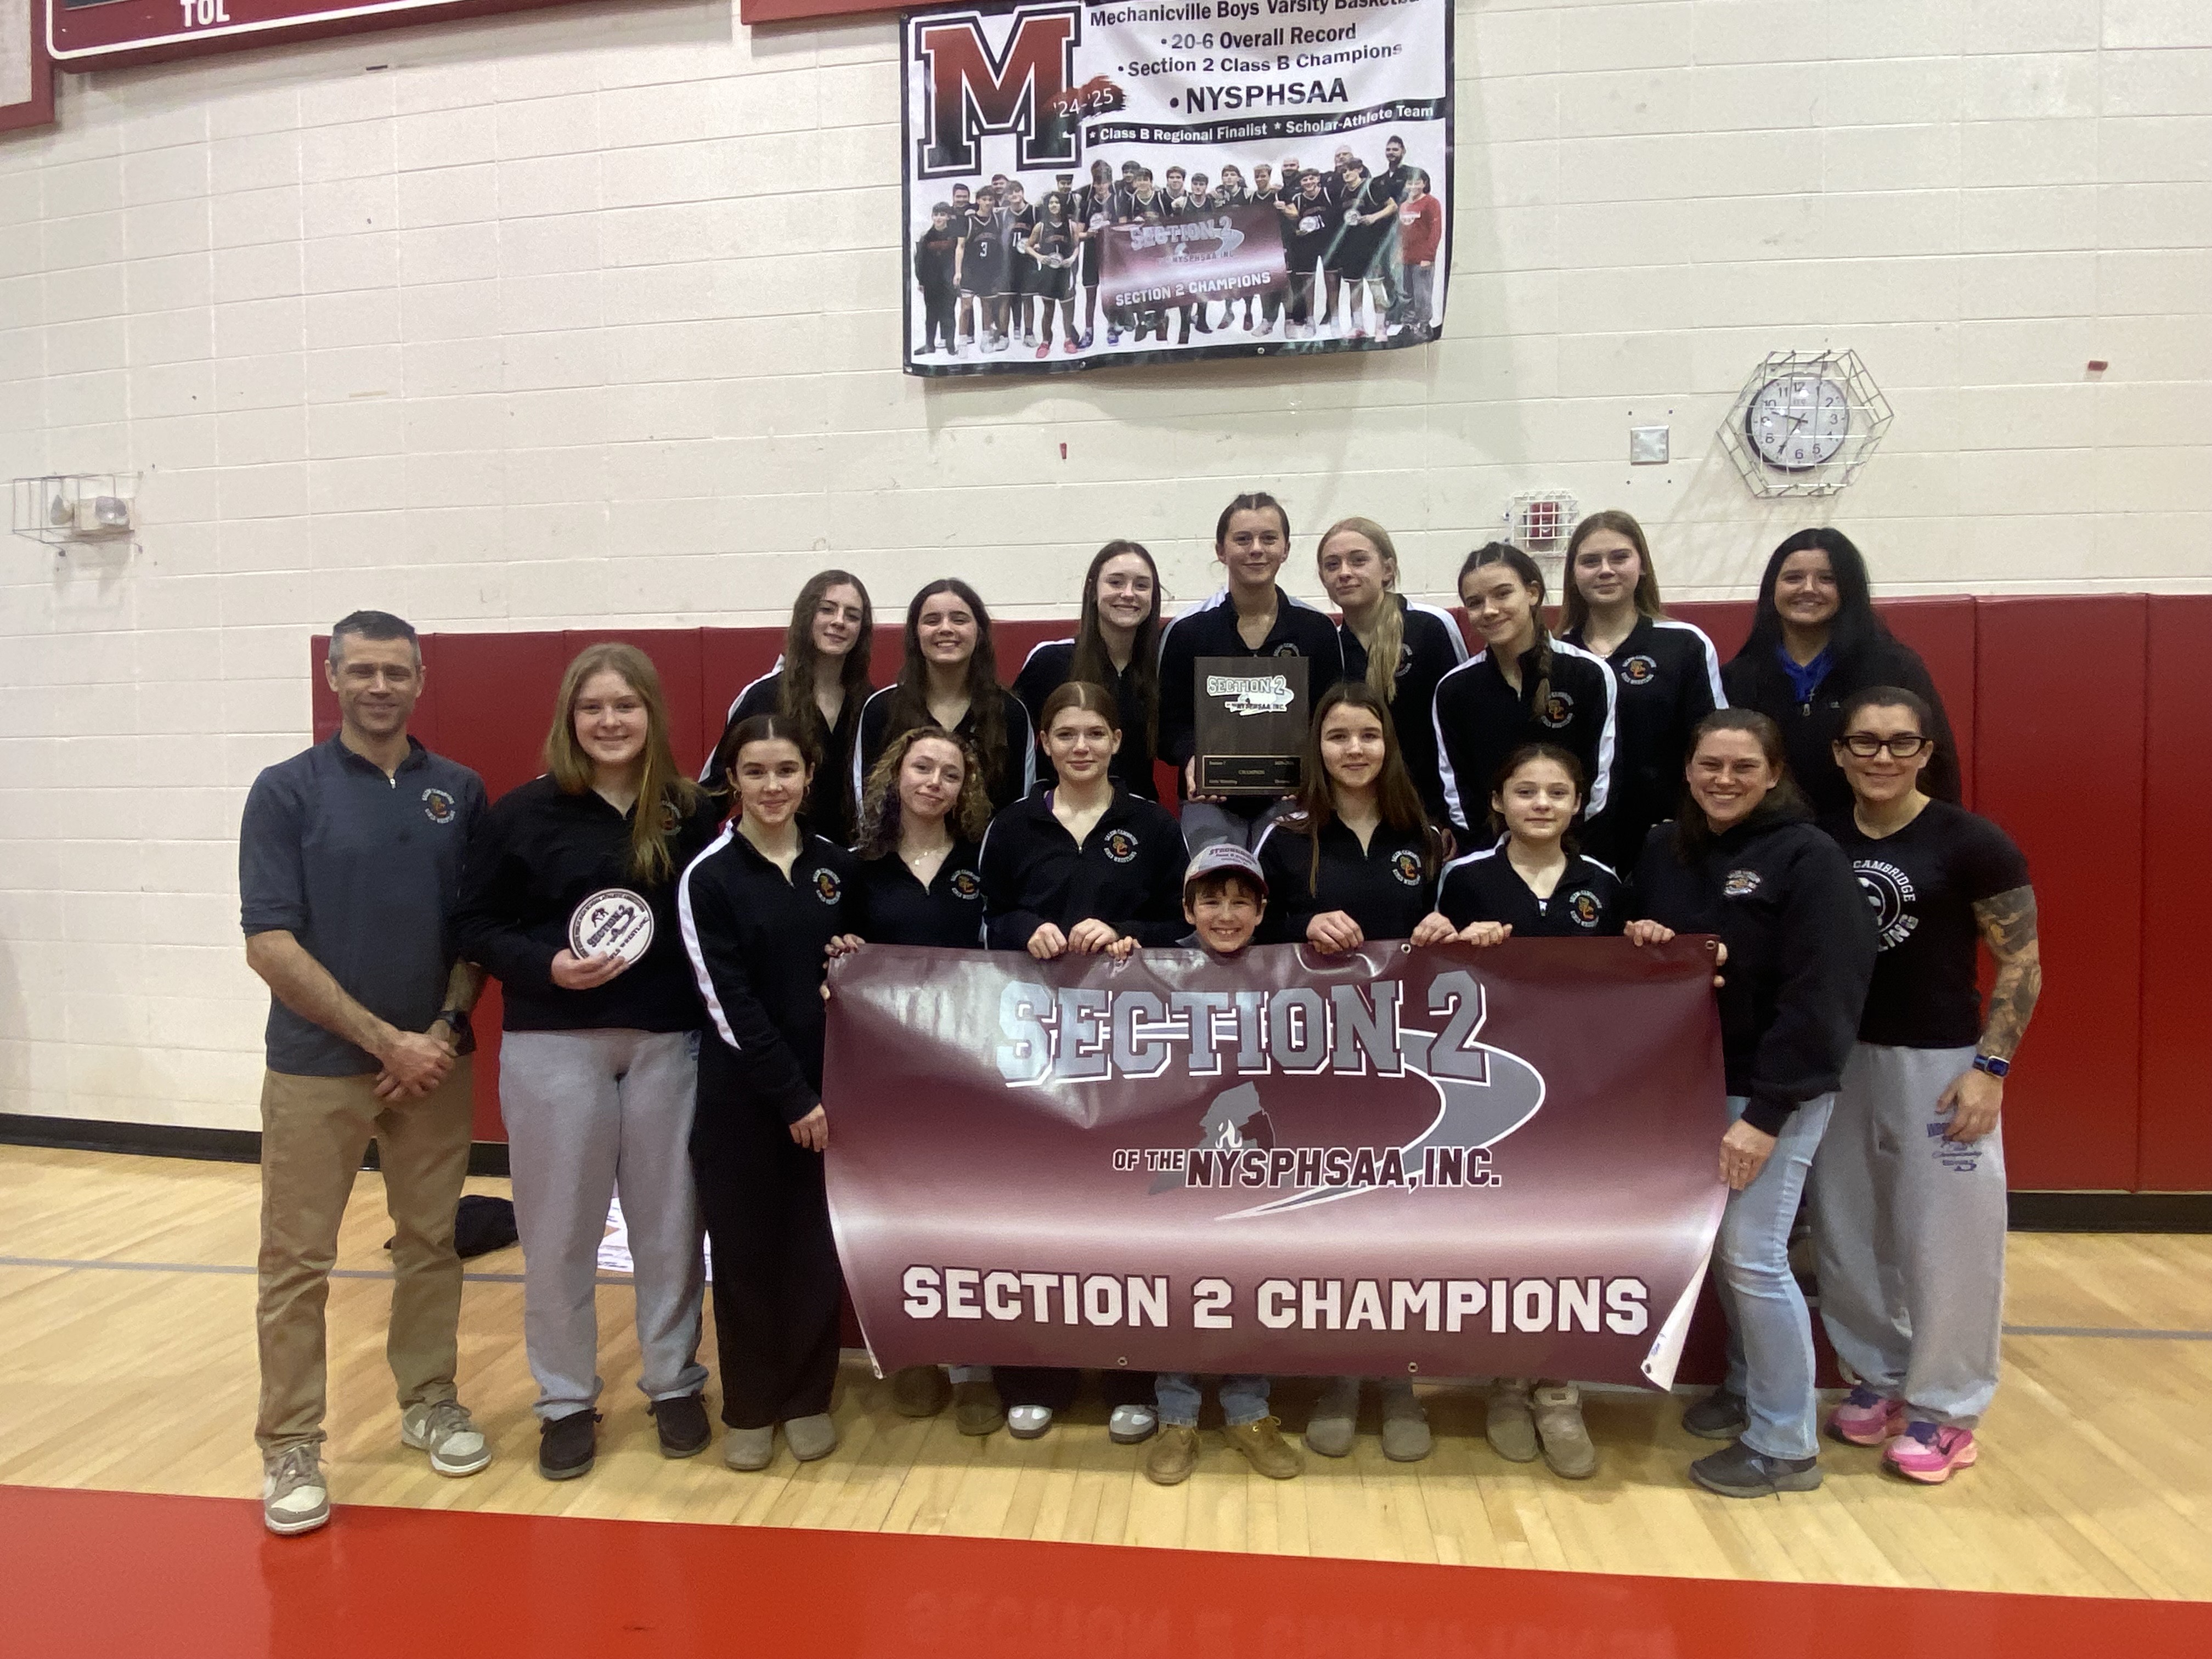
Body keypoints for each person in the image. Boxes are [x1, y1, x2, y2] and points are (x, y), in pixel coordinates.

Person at [239, 610, 490, 1537]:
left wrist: (441, 1029)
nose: (379, 686)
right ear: (334, 679)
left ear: (421, 678)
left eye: (395, 671)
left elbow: (475, 935)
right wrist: (385, 1038)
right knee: (296, 1262)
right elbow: (268, 942)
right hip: (317, 1068)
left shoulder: (457, 791)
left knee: (431, 1243)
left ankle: (430, 1399)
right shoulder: (285, 791)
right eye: (361, 671)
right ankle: (291, 1442)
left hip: (432, 1065)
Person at [452, 643, 720, 1480]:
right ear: (571, 719)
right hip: (553, 1046)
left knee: (671, 1230)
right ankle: (565, 1400)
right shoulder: (523, 813)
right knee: (559, 1235)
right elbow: (476, 926)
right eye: (594, 708)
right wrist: (546, 967)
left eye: (626, 706)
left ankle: (674, 1382)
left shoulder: (690, 809)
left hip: (668, 1045)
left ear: (652, 716)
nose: (611, 722)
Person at [1626, 710, 1876, 1499]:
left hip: (1771, 1088)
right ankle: (1743, 1389)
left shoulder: (1809, 856)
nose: (1723, 780)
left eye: (1741, 767)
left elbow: (1824, 994)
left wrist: (1766, 1114)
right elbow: (1660, 952)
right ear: (1690, 769)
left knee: (1754, 1256)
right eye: (1709, 765)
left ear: (1774, 774)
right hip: (1689, 1082)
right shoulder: (1666, 848)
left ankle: (1784, 1443)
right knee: (1726, 1253)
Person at [1813, 688, 2041, 1485]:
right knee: (1848, 1233)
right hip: (1837, 1061)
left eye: (1901, 744)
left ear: (1926, 752)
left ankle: (1947, 1410)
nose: (1883, 758)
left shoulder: (1972, 842)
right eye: (1865, 743)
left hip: (1940, 1065)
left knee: (1949, 1242)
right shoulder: (1818, 838)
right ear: (1839, 751)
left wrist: (1992, 1067)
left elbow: (2021, 961)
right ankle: (1880, 1375)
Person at [979, 682, 1189, 1440]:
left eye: (1094, 732)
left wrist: (1130, 931)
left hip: (1131, 1050)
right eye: (1065, 732)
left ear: (1117, 742)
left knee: (1130, 1210)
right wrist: (1025, 928)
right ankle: (1035, 1376)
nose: (1080, 746)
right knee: (1039, 1212)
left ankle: (1134, 1374)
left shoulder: (1154, 826)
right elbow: (989, 917)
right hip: (1034, 1049)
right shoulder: (1013, 826)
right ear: (1044, 740)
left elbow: (1183, 922)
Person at [1251, 684, 1455, 1465]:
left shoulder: (1431, 836)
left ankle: (1399, 1381)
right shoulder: (1283, 834)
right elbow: (1241, 929)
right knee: (1331, 1221)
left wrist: (1447, 928)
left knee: (1401, 1225)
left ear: (1388, 743)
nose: (1355, 750)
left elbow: (1471, 929)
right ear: (1318, 748)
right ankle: (1339, 1377)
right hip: (1314, 1061)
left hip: (1411, 1063)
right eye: (1338, 737)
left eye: (1368, 735)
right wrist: (1297, 924)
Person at [1435, 744, 1626, 1481]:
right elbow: (1427, 974)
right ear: (1498, 803)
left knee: (1566, 1241)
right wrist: (1457, 943)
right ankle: (1505, 1383)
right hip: (1492, 1093)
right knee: (1500, 1239)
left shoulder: (1604, 885)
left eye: (1557, 792)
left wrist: (1644, 943)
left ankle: (1558, 1386)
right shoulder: (1465, 878)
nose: (1541, 804)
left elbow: (1631, 988)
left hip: (1578, 1095)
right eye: (1525, 791)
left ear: (1578, 803)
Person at [679, 714, 863, 1471]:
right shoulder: (709, 877)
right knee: (750, 1252)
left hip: (832, 1099)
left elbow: (853, 971)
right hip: (747, 1104)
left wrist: (853, 959)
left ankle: (809, 1396)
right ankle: (751, 1404)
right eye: (755, 771)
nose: (772, 786)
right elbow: (730, 1006)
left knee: (814, 1250)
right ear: (733, 779)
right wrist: (793, 1098)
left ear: (809, 774)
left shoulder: (835, 867)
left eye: (786, 769)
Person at [846, 727, 1005, 1437]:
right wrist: (841, 956)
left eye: (950, 772)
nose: (934, 781)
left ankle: (974, 1366)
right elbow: (830, 959)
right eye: (922, 767)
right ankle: (911, 1354)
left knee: (969, 1216)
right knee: (898, 1216)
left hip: (968, 1068)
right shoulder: (855, 869)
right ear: (896, 774)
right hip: (884, 1078)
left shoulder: (984, 864)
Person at [1143, 844, 1305, 1487]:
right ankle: (1177, 1415)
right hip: (1176, 1154)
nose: (1227, 914)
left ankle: (1249, 1412)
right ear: (1188, 908)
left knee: (1252, 1273)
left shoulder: (1294, 969)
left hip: (1257, 1159)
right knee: (1177, 1277)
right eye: (1211, 900)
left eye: (1242, 901)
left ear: (1263, 910)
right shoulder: (1151, 968)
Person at [1720, 528, 1961, 817]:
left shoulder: (1894, 668)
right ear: (1773, 588)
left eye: (1827, 579)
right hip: (1772, 844)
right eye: (1793, 578)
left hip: (1869, 839)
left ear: (1849, 589)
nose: (1808, 588)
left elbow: (1937, 766)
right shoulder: (1738, 677)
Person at [1159, 492, 1346, 850]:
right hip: (1210, 800)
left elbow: (1332, 717)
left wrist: (1309, 767)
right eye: (1243, 539)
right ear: (1221, 550)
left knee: (1287, 886)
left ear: (1286, 549)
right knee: (1214, 890)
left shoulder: (1316, 631)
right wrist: (1191, 756)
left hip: (1293, 797)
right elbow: (1167, 725)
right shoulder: (1188, 632)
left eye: (1269, 538)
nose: (1256, 549)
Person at [1559, 511, 1725, 868]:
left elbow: (1713, 742)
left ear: (1643, 566)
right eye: (1590, 561)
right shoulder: (1556, 655)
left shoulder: (1685, 645)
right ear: (1573, 574)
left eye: (1619, 557)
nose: (1605, 570)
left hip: (1670, 836)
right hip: (1573, 841)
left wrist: (1694, 819)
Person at [1432, 543, 1618, 847]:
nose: (1489, 610)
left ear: (1532, 593)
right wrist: (1495, 861)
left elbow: (1600, 784)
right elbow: (1458, 792)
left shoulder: (1588, 675)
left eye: (1503, 594)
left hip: (1573, 854)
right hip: (1489, 857)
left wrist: (1562, 857)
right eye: (1475, 602)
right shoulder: (1455, 690)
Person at [704, 570, 873, 848]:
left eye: (852, 615)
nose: (839, 621)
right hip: (777, 860)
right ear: (807, 617)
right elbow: (715, 791)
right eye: (827, 610)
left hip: (851, 864)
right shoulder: (763, 696)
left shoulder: (870, 703)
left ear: (861, 630)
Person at [1317, 516, 1466, 822]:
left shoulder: (1430, 626)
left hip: (1427, 807)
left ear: (1387, 569)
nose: (1345, 573)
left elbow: (1459, 728)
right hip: (1358, 809)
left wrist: (1447, 816)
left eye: (1358, 561)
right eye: (1332, 565)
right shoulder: (1328, 644)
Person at [853, 578, 1036, 818]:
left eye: (959, 619)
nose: (946, 628)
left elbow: (1019, 807)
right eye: (932, 620)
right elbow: (868, 804)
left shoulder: (1011, 713)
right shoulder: (881, 710)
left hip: (987, 855)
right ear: (916, 634)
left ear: (979, 632)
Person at [1011, 539, 1164, 800]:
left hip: (1137, 824)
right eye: (1116, 582)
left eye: (1141, 585)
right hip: (1057, 822)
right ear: (1093, 591)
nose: (1128, 594)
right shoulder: (1050, 662)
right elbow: (1012, 745)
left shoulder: (1162, 665)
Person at [1026, 190, 1080, 358]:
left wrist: (1072, 258)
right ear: (1047, 206)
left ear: (1062, 205)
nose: (1054, 205)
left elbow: (1077, 246)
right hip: (1048, 274)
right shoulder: (1041, 226)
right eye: (1051, 203)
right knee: (1048, 310)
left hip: (1065, 272)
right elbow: (1028, 246)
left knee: (1067, 310)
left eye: (1057, 202)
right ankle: (1046, 342)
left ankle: (1068, 340)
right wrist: (1039, 257)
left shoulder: (1071, 225)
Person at [1396, 170, 1441, 338]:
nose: (1413, 186)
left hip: (1422, 259)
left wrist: (1429, 256)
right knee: (1406, 293)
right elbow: (1400, 233)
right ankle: (1408, 323)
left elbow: (1436, 231)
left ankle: (1424, 324)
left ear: (1425, 184)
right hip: (1406, 258)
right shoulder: (1403, 205)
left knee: (1422, 293)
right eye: (1410, 183)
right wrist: (1398, 253)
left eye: (1417, 183)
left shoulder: (1431, 203)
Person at [913, 203, 959, 356]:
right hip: (931, 283)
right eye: (936, 215)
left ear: (947, 217)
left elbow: (959, 259)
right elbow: (919, 261)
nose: (939, 218)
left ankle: (951, 346)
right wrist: (921, 281)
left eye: (942, 215)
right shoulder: (926, 237)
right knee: (931, 315)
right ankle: (929, 345)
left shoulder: (954, 237)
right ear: (932, 217)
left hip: (949, 283)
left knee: (949, 314)